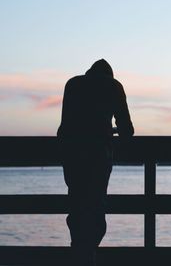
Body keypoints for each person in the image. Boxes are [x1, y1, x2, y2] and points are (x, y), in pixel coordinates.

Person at [57, 59, 134, 265]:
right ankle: (88, 254)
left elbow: (64, 128)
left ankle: (79, 253)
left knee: (77, 206)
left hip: (72, 155)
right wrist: (108, 131)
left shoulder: (72, 84)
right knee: (96, 207)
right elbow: (127, 130)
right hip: (98, 156)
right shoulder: (114, 86)